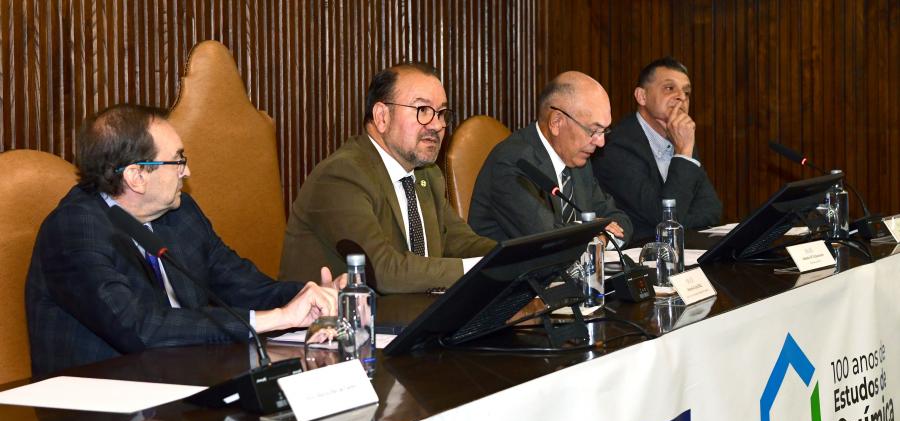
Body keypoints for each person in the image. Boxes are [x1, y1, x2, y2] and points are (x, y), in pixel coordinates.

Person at [26, 104, 340, 377]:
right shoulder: (73, 230)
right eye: (177, 160)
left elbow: (243, 286)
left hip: (187, 388)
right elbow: (140, 329)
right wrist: (280, 317)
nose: (187, 171)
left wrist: (311, 297)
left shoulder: (179, 213)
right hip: (100, 418)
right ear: (137, 176)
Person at [279, 63, 496, 294]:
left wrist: (524, 258)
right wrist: (477, 269)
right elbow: (380, 271)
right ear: (382, 116)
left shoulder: (427, 175)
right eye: (422, 110)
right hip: (336, 324)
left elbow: (461, 243)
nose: (437, 125)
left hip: (412, 317)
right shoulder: (342, 175)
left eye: (441, 113)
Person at [467, 71, 633, 245]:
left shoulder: (578, 160)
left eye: (604, 131)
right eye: (593, 130)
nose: (601, 142)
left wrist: (601, 238)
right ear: (556, 122)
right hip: (513, 271)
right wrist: (593, 231)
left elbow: (619, 220)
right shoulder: (513, 163)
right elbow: (548, 240)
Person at [592, 57, 722, 241]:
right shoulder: (616, 146)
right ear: (642, 96)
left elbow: (712, 209)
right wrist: (683, 153)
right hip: (640, 258)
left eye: (687, 92)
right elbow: (664, 217)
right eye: (670, 88)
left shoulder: (682, 138)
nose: (681, 97)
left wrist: (676, 220)